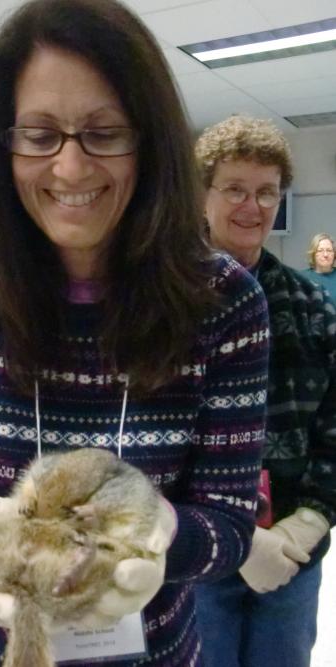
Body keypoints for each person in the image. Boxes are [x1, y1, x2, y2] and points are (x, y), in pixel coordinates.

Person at [0, 3, 270, 666]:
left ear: (150, 141)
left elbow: (232, 527)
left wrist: (162, 537)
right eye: (39, 135)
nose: (69, 168)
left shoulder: (226, 305)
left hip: (152, 651)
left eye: (104, 133)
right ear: (3, 144)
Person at [194, 114, 336, 667]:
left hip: (292, 555)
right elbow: (139, 432)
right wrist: (231, 535)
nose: (251, 207)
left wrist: (313, 518)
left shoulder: (311, 307)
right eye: (234, 189)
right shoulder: (162, 307)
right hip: (199, 553)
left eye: (266, 193)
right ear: (203, 196)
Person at [303, 232, 336, 302]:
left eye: (329, 250)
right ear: (313, 254)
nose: (325, 255)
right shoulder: (302, 278)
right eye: (320, 251)